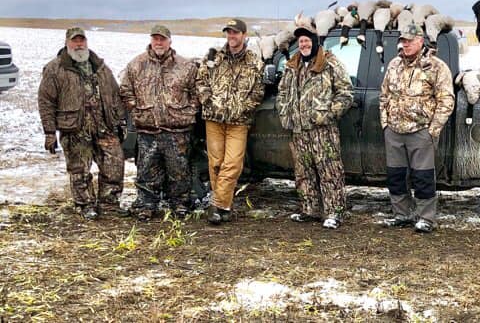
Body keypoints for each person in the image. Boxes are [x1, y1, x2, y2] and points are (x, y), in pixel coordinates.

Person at [37, 27, 127, 220]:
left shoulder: (100, 66)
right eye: (75, 41)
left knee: (114, 164)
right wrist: (50, 132)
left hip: (103, 126)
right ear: (67, 43)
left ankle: (109, 203)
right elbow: (46, 102)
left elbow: (115, 94)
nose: (79, 44)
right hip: (74, 128)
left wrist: (120, 121)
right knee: (79, 170)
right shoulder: (55, 68)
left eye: (82, 40)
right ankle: (85, 205)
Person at [379, 23, 455, 233]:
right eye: (403, 41)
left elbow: (446, 100)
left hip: (421, 131)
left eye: (410, 41)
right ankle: (402, 214)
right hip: (394, 131)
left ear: (420, 41)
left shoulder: (436, 67)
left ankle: (425, 218)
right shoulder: (394, 64)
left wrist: (433, 129)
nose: (406, 45)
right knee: (396, 177)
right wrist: (385, 123)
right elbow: (384, 95)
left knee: (422, 177)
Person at [276, 26, 353, 229]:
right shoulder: (292, 65)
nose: (304, 44)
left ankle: (334, 212)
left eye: (307, 40)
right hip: (299, 130)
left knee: (329, 171)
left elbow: (345, 93)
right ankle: (309, 210)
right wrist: (286, 114)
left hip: (323, 130)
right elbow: (282, 92)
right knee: (304, 173)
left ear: (315, 41)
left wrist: (327, 115)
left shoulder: (329, 62)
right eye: (300, 41)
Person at [119, 25, 198, 220]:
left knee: (179, 170)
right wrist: (136, 109)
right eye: (155, 38)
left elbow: (198, 90)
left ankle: (180, 204)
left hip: (177, 130)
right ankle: (146, 204)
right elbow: (125, 90)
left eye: (162, 39)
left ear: (170, 41)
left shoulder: (185, 66)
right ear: (151, 40)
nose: (159, 42)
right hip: (148, 130)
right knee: (146, 169)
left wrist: (188, 111)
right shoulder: (136, 65)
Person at [195, 19, 264, 224]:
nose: (231, 36)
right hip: (214, 119)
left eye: (235, 33)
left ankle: (215, 204)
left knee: (232, 164)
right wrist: (208, 100)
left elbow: (258, 91)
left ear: (243, 35)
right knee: (215, 163)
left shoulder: (254, 61)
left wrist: (243, 107)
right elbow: (200, 80)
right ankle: (223, 207)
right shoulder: (213, 57)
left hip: (238, 121)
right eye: (228, 33)